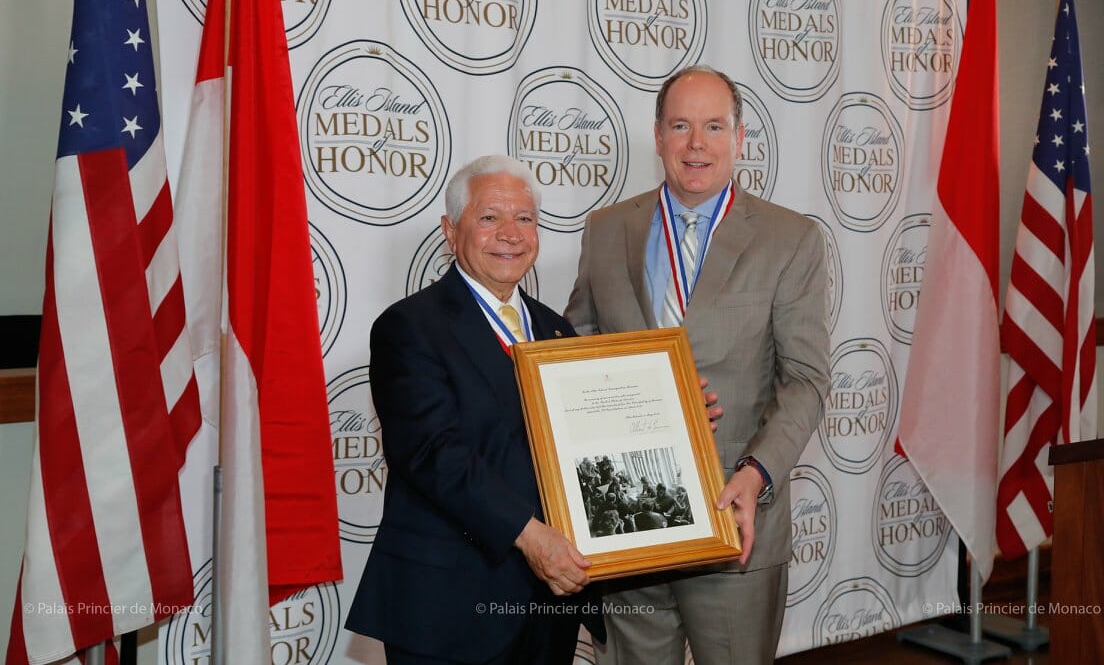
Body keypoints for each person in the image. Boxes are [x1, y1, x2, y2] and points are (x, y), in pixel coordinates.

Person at [566, 65, 830, 665]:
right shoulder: (607, 229)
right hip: (627, 521)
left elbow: (808, 380)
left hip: (731, 515)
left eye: (714, 126)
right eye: (680, 125)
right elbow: (578, 349)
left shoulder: (789, 239)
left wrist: (755, 474)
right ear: (657, 136)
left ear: (740, 139)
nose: (696, 144)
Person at [346, 155, 602, 665]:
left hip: (547, 605)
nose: (510, 233)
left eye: (525, 219)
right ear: (450, 230)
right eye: (489, 218)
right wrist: (533, 539)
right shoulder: (409, 327)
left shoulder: (556, 331)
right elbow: (433, 453)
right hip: (448, 607)